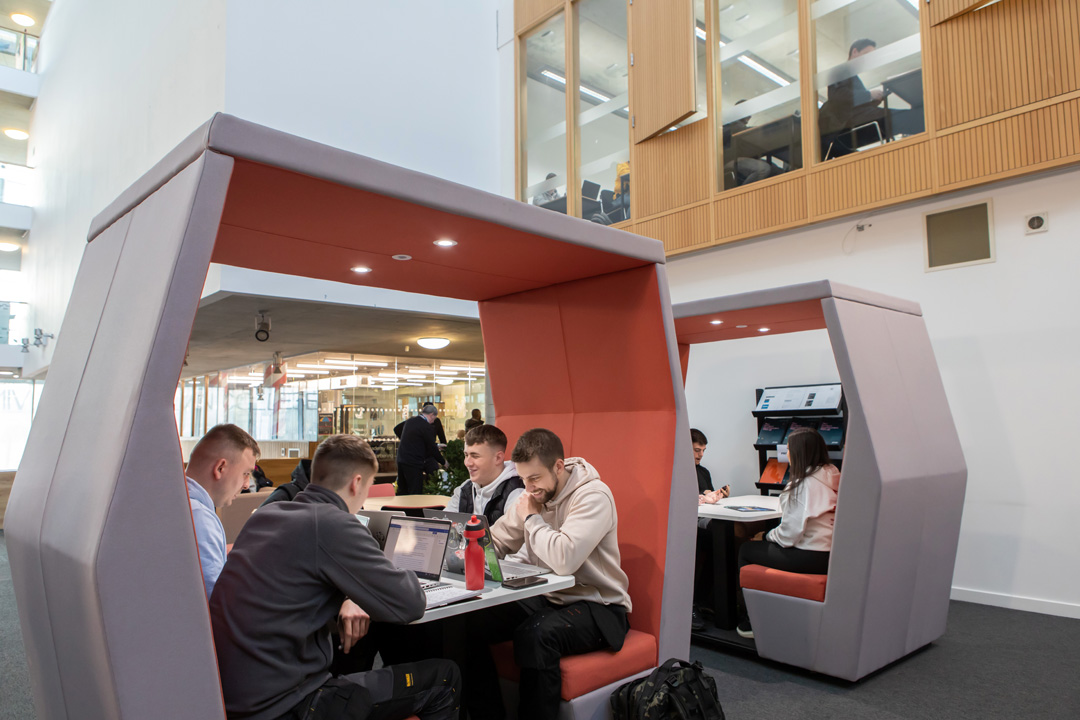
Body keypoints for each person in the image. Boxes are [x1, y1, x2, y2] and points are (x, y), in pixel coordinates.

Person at [209, 435, 461, 720]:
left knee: (357, 646)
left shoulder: (267, 515)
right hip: (288, 704)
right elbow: (410, 604)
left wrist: (350, 594)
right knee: (445, 678)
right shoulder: (334, 523)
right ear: (356, 483)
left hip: (231, 695)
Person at [464, 428, 631, 720]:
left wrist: (531, 518)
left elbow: (564, 559)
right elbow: (499, 539)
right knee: (469, 621)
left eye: (535, 478)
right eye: (523, 479)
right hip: (549, 598)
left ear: (558, 466)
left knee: (536, 634)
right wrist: (470, 551)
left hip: (600, 606)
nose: (529, 488)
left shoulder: (593, 496)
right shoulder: (535, 494)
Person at [736, 428, 840, 639]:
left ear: (799, 452)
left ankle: (751, 620)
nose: (788, 454)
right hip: (832, 555)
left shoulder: (804, 484)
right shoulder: (834, 477)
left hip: (809, 555)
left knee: (746, 549)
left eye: (789, 449)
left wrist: (767, 536)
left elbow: (789, 535)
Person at [184, 423, 259, 598]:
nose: (246, 485)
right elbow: (216, 603)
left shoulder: (177, 504)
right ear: (220, 468)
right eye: (245, 473)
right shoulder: (200, 518)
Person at [446, 424, 525, 524]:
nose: (467, 463)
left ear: (498, 458)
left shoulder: (517, 493)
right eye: (466, 455)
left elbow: (509, 533)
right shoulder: (465, 488)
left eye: (475, 456)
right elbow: (442, 526)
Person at [393, 405, 444, 495]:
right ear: (431, 415)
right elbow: (431, 447)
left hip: (401, 459)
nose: (433, 422)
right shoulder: (426, 426)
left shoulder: (410, 421)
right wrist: (443, 462)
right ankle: (414, 504)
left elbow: (417, 439)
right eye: (434, 418)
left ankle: (402, 504)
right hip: (413, 462)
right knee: (415, 490)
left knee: (402, 489)